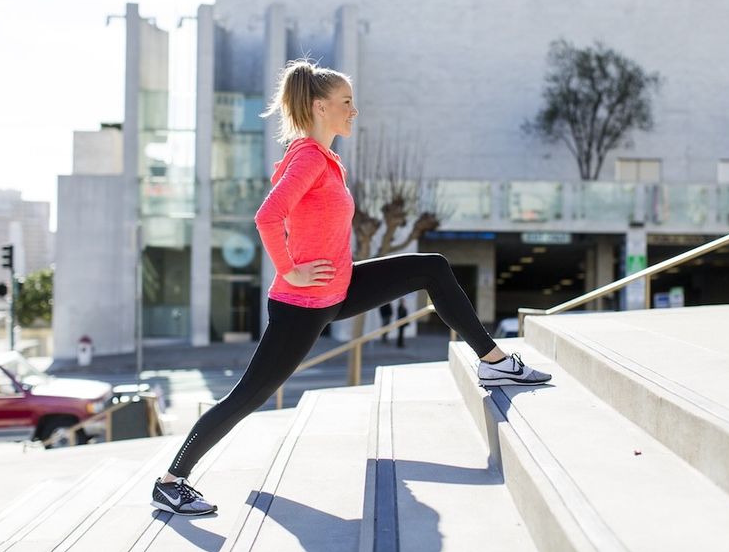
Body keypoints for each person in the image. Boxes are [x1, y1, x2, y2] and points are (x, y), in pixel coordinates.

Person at [150, 59, 551, 516]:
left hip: (339, 289)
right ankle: (171, 480)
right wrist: (291, 269)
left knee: (432, 267)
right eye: (346, 103)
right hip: (302, 303)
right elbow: (267, 216)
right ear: (321, 108)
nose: (353, 111)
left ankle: (494, 361)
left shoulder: (325, 159)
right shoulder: (306, 157)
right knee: (249, 396)